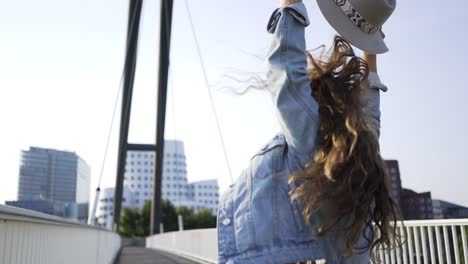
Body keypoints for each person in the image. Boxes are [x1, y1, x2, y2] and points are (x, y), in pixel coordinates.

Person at [217, 0, 402, 263]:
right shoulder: (360, 146)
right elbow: (370, 104)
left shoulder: (313, 142)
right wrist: (369, 34)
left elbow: (287, 78)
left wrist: (290, 5)